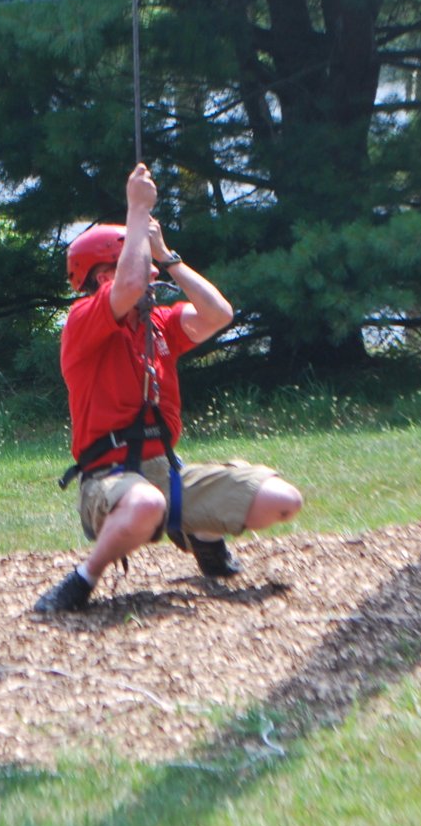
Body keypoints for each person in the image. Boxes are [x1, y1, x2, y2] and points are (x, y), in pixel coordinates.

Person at [34, 163, 305, 613]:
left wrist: (167, 255)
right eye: (142, 264)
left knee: (282, 501)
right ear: (103, 278)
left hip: (166, 473)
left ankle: (201, 533)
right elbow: (131, 283)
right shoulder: (83, 321)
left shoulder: (158, 323)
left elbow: (219, 314)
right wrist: (137, 208)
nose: (152, 278)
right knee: (144, 504)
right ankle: (82, 580)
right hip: (109, 481)